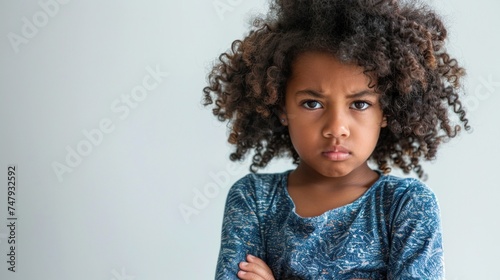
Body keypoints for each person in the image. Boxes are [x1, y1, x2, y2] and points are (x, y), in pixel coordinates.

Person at [203, 0, 470, 279]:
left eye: (360, 104)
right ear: (282, 108)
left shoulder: (407, 205)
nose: (336, 128)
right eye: (311, 104)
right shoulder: (254, 200)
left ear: (386, 111)